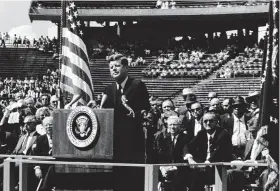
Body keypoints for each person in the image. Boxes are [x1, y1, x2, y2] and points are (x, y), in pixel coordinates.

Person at [102, 54, 150, 191]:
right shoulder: (108, 89)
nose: (113, 69)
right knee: (117, 181)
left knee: (133, 181)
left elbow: (145, 109)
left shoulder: (137, 85)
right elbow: (104, 113)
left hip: (133, 143)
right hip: (113, 144)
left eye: (117, 66)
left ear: (126, 68)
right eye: (111, 67)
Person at [184, 112, 232, 191]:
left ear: (217, 122)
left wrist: (206, 164)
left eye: (211, 121)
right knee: (186, 173)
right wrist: (189, 158)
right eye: (205, 121)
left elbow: (218, 152)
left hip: (218, 167)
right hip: (203, 168)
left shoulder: (223, 133)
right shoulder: (201, 133)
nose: (208, 123)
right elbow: (188, 146)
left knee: (196, 175)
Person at [156, 116, 191, 191]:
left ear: (180, 126)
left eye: (174, 124)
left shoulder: (186, 138)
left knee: (177, 178)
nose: (172, 127)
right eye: (170, 125)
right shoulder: (164, 138)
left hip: (181, 169)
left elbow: (185, 154)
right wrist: (163, 168)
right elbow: (161, 156)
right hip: (166, 168)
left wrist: (174, 167)